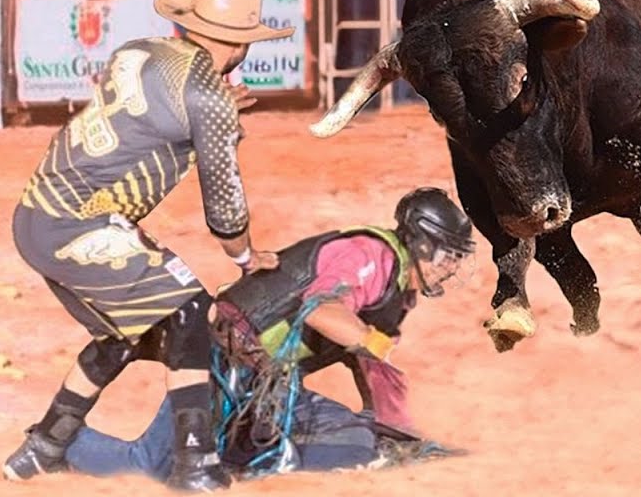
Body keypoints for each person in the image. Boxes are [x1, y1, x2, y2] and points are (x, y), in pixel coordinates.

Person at [2, 0, 291, 491]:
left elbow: (154, 115)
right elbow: (225, 210)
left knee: (125, 328)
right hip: (79, 225)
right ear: (242, 43)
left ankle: (43, 447)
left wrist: (218, 112)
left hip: (37, 213)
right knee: (190, 313)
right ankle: (195, 464)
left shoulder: (143, 50)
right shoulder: (208, 99)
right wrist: (247, 259)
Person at [56, 187, 476, 483]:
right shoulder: (370, 256)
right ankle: (59, 445)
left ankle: (241, 449)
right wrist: (374, 342)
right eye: (449, 255)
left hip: (261, 379)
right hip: (221, 358)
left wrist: (396, 430)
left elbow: (370, 363)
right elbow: (323, 312)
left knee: (360, 443)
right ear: (422, 245)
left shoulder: (398, 290)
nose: (452, 267)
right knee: (150, 466)